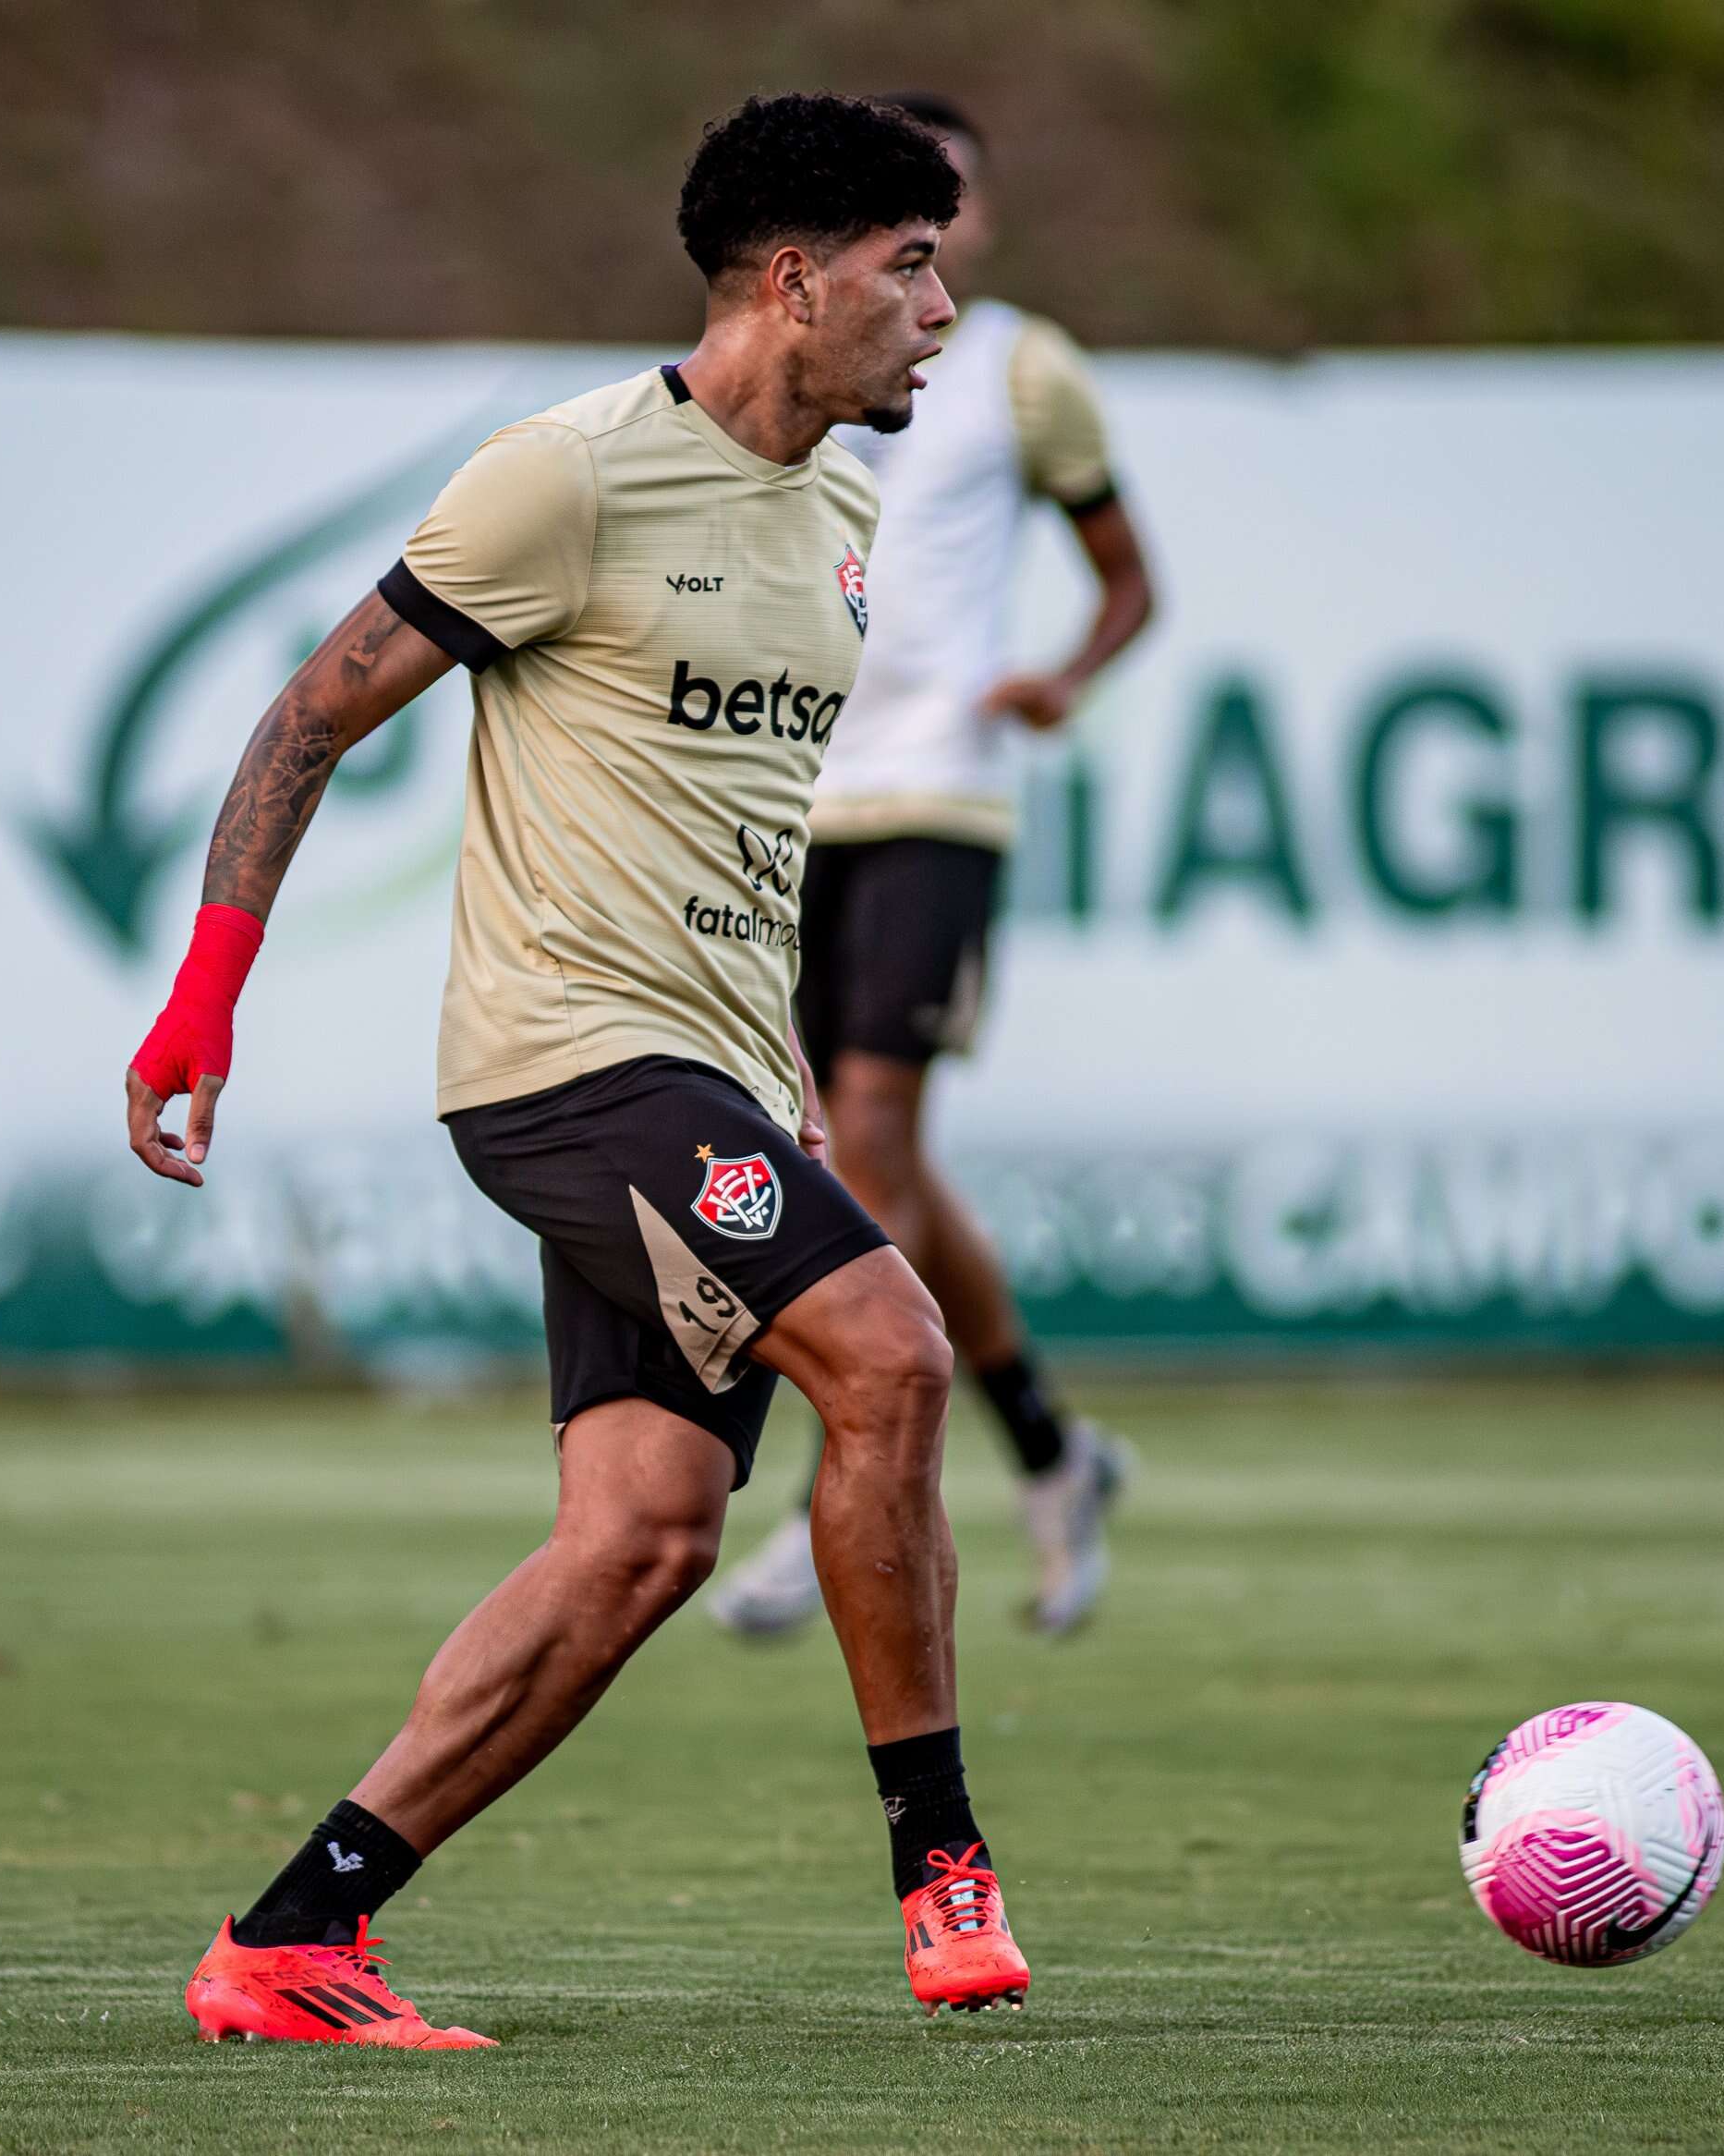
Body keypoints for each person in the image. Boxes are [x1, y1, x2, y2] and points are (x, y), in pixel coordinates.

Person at [124, 93, 1023, 2048]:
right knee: (894, 1353)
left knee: (638, 1545)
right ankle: (940, 1865)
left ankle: (294, 1940)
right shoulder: (566, 481)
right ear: (791, 282)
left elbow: (729, 841)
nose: (944, 307)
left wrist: (774, 1065)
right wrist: (205, 999)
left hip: (700, 1080)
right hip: (561, 1069)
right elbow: (307, 716)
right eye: (908, 266)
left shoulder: (848, 515)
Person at [710, 92, 1158, 1644]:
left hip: (937, 800)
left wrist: (1062, 676)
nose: (932, 238)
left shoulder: (1021, 368)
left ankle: (824, 1494)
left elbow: (1129, 584)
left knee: (868, 1137)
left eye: (949, 202)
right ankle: (1048, 1444)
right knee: (851, 1147)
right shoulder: (796, 364)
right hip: (792, 803)